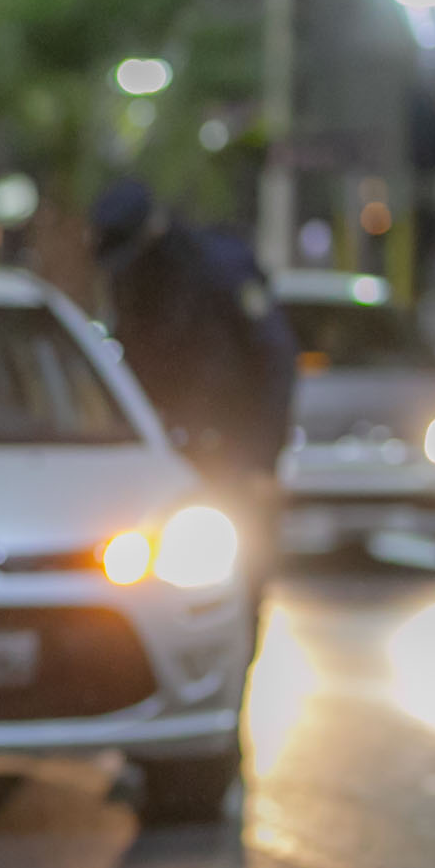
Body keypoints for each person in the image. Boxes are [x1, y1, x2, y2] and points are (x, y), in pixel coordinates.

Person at [89, 180, 296, 590]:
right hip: (169, 455)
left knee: (240, 577)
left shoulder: (219, 266)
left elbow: (275, 359)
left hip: (233, 450)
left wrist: (263, 461)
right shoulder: (131, 275)